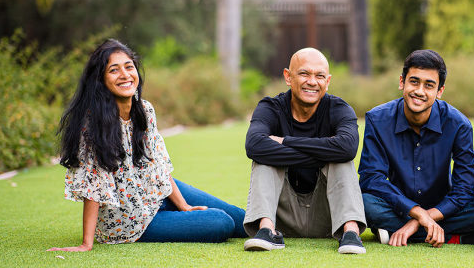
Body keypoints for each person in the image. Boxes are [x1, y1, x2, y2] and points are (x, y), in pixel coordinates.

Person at [47, 39, 246, 252]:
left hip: (156, 191)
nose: (124, 75)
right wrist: (86, 244)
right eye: (114, 70)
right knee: (221, 222)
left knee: (245, 219)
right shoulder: (92, 123)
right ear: (100, 79)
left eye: (129, 67)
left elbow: (157, 162)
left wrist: (183, 206)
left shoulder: (145, 110)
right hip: (129, 219)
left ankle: (279, 228)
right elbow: (93, 183)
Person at [359, 50, 474, 247]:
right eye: (414, 82)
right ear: (402, 82)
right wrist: (417, 212)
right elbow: (372, 179)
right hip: (396, 207)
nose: (419, 91)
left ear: (440, 91)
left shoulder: (458, 124)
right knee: (363, 204)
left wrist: (418, 221)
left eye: (429, 85)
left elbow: (464, 188)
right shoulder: (377, 119)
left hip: (443, 209)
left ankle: (404, 231)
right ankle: (457, 238)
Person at [242, 48, 367, 254]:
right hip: (281, 217)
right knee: (263, 159)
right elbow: (254, 145)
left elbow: (348, 148)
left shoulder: (340, 108)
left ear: (327, 81)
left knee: (341, 159)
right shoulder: (270, 107)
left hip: (328, 216)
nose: (312, 81)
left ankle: (351, 233)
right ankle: (266, 231)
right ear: (288, 77)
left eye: (319, 76)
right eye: (304, 74)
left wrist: (285, 141)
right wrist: (323, 151)